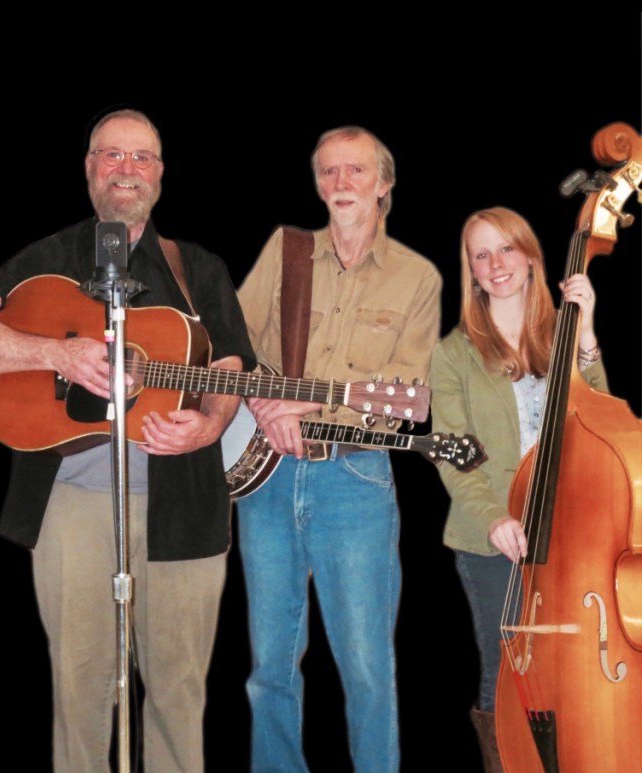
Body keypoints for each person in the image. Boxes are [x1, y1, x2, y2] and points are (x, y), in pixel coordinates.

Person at [0, 109, 254, 772]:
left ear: (160, 174)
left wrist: (209, 423)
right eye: (111, 156)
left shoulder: (198, 267)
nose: (126, 169)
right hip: (71, 503)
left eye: (140, 157)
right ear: (89, 169)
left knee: (178, 689)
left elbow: (230, 367)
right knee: (80, 684)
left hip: (186, 509)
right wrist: (54, 356)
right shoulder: (49, 258)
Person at [235, 126, 442, 772]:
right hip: (266, 478)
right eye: (329, 172)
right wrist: (266, 401)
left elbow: (409, 398)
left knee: (367, 669)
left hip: (355, 481)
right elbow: (232, 344)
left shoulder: (417, 276)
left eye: (356, 171)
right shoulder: (285, 249)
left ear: (384, 184)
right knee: (269, 667)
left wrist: (310, 405)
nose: (340, 183)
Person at [429, 206, 604, 770]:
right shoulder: (452, 354)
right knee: (506, 676)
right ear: (472, 272)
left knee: (577, 668)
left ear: (531, 257)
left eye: (506, 248)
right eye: (481, 254)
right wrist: (494, 518)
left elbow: (599, 421)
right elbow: (453, 457)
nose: (495, 263)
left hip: (572, 531)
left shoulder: (561, 336)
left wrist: (589, 333)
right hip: (493, 542)